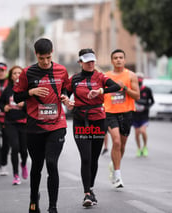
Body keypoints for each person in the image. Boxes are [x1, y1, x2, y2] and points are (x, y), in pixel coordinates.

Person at [13, 38, 69, 213]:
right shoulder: (27, 73)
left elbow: (66, 88)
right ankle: (33, 200)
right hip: (34, 126)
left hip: (57, 124)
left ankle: (53, 207)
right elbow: (17, 97)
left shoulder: (61, 70)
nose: (45, 61)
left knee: (51, 163)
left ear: (52, 52)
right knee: (37, 165)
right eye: (41, 58)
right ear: (36, 55)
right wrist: (31, 92)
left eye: (48, 57)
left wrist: (65, 96)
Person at [62, 48, 120, 207]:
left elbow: (117, 87)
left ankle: (91, 188)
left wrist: (100, 90)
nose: (90, 63)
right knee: (86, 158)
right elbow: (64, 93)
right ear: (80, 62)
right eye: (87, 61)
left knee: (94, 158)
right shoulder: (74, 79)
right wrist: (67, 100)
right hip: (81, 121)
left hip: (98, 121)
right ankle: (87, 193)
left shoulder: (100, 77)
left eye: (92, 60)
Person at [104, 49, 140, 188]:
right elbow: (101, 94)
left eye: (121, 57)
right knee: (116, 142)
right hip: (110, 113)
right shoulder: (106, 77)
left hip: (126, 113)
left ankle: (114, 165)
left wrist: (124, 87)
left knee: (122, 146)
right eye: (115, 58)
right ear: (111, 60)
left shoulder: (131, 75)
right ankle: (117, 176)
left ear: (124, 60)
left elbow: (137, 96)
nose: (118, 60)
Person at [0, 65, 28, 185]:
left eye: (19, 73)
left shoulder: (26, 89)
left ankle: (24, 164)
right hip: (10, 122)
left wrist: (24, 104)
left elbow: (33, 104)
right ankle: (16, 175)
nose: (16, 75)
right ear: (10, 76)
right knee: (14, 148)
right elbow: (0, 102)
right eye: (14, 73)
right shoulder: (8, 89)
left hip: (24, 123)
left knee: (24, 150)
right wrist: (3, 107)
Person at [132, 72, 154, 157]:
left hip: (144, 115)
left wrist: (145, 107)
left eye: (140, 78)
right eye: (137, 78)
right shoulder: (133, 89)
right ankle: (139, 148)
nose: (139, 79)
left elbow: (152, 101)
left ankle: (145, 147)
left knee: (143, 131)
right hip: (135, 116)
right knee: (137, 133)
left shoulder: (147, 90)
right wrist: (134, 106)